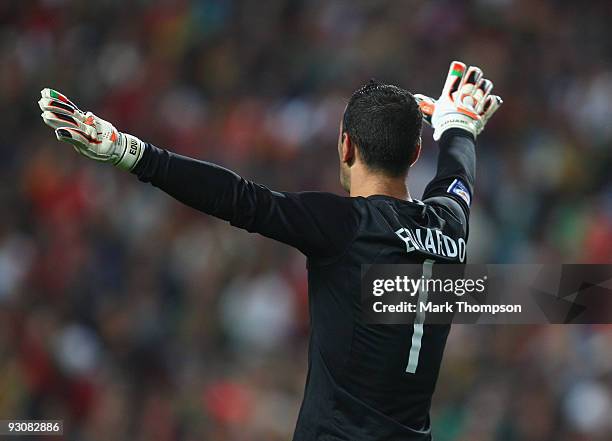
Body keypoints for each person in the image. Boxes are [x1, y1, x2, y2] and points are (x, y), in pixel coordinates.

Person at [38, 61, 501, 441]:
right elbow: (458, 177)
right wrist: (459, 126)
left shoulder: (346, 226)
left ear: (346, 147)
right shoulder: (451, 224)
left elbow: (242, 199)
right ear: (415, 153)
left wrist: (130, 152)